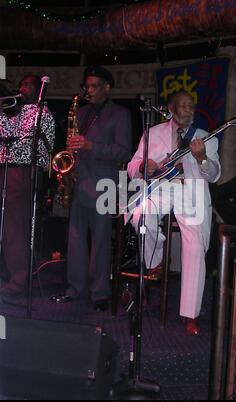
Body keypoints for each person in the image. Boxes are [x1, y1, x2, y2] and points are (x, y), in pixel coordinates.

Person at [127, 91, 221, 335]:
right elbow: (131, 167)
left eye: (191, 105)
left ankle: (190, 314)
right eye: (183, 105)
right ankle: (156, 260)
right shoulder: (153, 133)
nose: (188, 109)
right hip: (160, 188)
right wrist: (142, 166)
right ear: (171, 107)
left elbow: (214, 175)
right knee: (141, 216)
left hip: (190, 192)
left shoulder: (204, 137)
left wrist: (201, 159)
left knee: (194, 245)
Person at [52, 66, 132, 311]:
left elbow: (123, 151)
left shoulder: (120, 114)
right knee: (75, 240)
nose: (89, 90)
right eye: (87, 86)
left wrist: (90, 146)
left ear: (107, 88)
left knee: (100, 241)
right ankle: (75, 289)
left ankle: (100, 293)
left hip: (104, 183)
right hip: (79, 181)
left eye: (94, 85)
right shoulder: (81, 112)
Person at [0, 74, 55, 303]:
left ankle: (18, 282)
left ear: (38, 89)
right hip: (3, 168)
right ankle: (7, 275)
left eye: (28, 85)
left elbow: (46, 147)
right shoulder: (11, 111)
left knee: (15, 227)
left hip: (23, 171)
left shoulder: (43, 113)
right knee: (5, 228)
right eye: (21, 84)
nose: (23, 88)